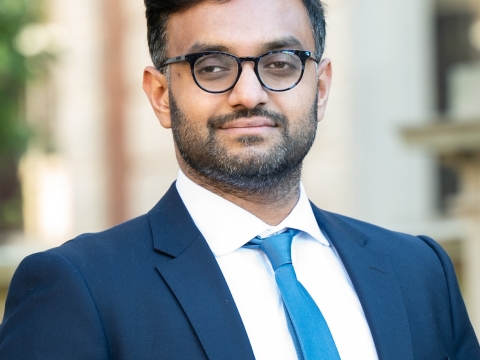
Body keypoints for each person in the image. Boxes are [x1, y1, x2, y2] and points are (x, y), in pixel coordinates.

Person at [1, 0, 479, 358]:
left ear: (322, 87)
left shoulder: (419, 272)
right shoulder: (77, 290)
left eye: (280, 64)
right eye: (212, 68)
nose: (249, 94)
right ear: (161, 95)